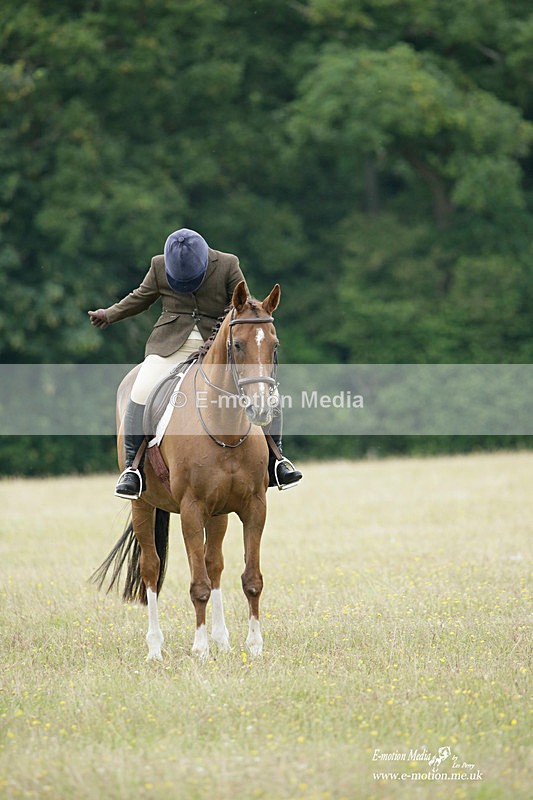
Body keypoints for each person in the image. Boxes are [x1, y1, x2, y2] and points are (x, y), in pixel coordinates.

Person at [89, 228, 302, 499]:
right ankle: (133, 469)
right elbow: (140, 298)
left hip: (217, 346)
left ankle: (276, 461)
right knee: (141, 389)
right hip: (170, 345)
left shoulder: (227, 264)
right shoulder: (159, 266)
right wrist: (109, 314)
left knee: (270, 394)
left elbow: (244, 304)